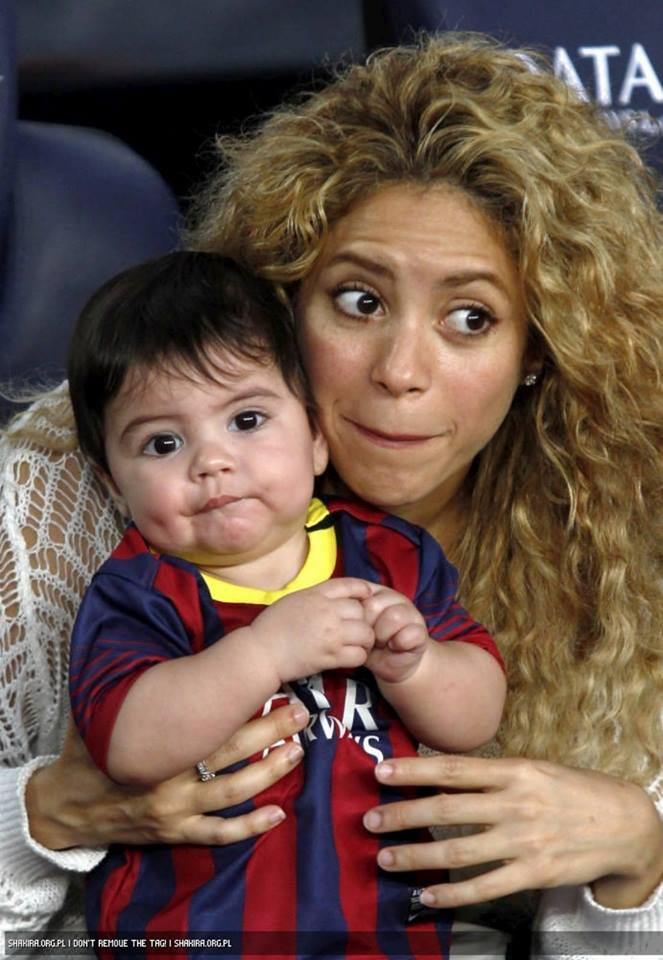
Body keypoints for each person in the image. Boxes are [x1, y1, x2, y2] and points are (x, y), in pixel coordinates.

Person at [1, 30, 662, 959]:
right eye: (359, 300)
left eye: (470, 318)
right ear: (280, 299)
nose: (400, 371)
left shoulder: (626, 517)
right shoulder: (69, 496)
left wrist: (639, 855)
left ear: (538, 354)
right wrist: (43, 815)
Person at [65, 249, 504, 955]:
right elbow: (128, 747)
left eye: (246, 420)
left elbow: (476, 716)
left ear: (315, 436)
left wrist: (418, 665)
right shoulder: (141, 590)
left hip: (380, 932)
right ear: (114, 483)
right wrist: (265, 650)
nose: (212, 461)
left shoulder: (387, 556)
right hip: (197, 931)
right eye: (162, 442)